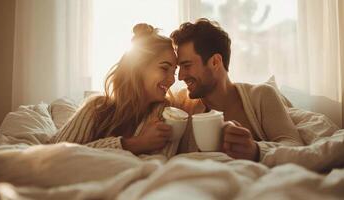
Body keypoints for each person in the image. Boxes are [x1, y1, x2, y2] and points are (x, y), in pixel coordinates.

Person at [170, 18, 303, 161]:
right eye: (179, 68)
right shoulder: (182, 106)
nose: (181, 76)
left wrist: (256, 150)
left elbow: (295, 147)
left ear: (215, 62)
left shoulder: (262, 96)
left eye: (187, 65)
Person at [50, 23, 178, 156]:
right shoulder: (97, 107)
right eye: (164, 68)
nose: (172, 80)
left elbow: (160, 164)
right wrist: (134, 144)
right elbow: (56, 154)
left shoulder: (168, 115)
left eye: (174, 72)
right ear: (137, 68)